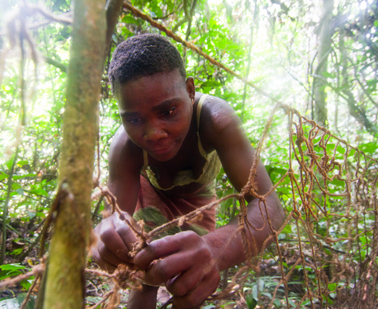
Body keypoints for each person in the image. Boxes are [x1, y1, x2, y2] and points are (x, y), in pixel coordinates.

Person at [91, 33, 285, 309]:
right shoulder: (125, 147)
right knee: (144, 270)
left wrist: (215, 249)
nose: (154, 133)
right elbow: (115, 217)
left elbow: (271, 208)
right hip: (151, 193)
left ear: (190, 91)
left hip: (198, 199)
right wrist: (108, 233)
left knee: (188, 279)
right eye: (134, 119)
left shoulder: (217, 121)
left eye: (168, 111)